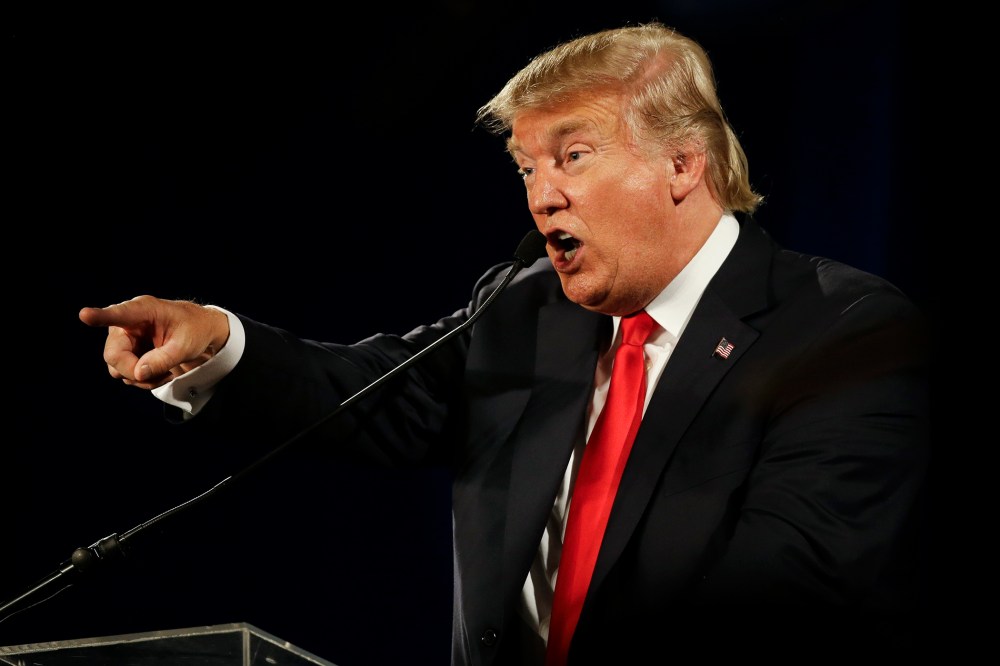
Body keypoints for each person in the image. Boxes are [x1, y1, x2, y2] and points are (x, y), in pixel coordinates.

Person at [78, 22, 931, 664]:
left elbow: (787, 591)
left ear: (682, 164)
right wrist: (217, 345)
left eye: (574, 156)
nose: (542, 196)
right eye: (527, 167)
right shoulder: (528, 308)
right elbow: (370, 394)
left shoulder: (839, 328)